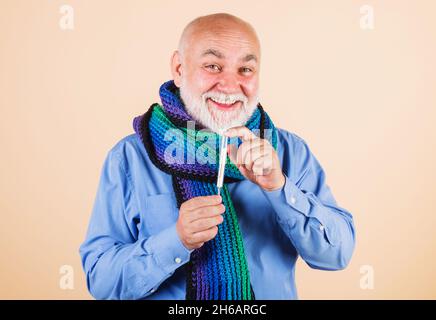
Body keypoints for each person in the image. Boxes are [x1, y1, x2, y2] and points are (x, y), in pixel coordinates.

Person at [79, 13, 356, 300]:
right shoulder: (129, 158)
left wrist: (280, 187)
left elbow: (337, 254)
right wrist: (176, 241)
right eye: (213, 66)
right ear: (179, 68)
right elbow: (102, 282)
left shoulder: (289, 152)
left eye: (245, 70)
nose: (229, 85)